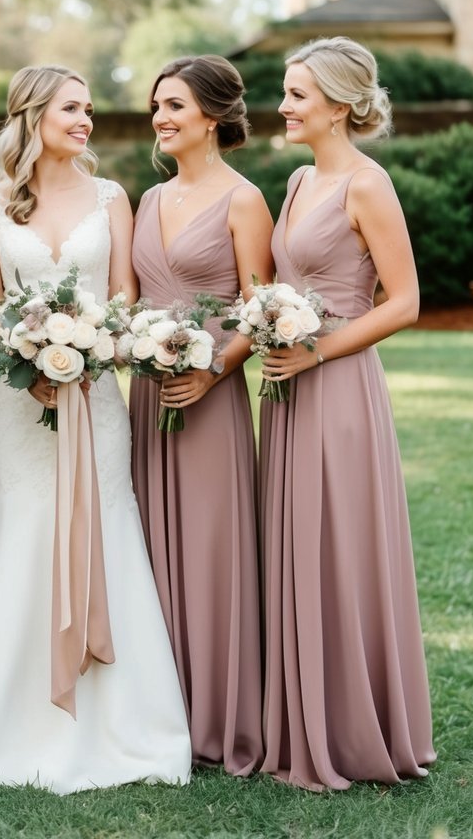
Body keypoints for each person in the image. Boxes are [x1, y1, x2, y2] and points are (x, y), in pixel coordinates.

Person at [0, 64, 191, 793]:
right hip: (19, 408)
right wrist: (25, 355)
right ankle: (9, 722)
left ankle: (121, 721)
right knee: (25, 528)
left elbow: (125, 298)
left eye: (86, 108)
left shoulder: (113, 197)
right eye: (71, 108)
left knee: (104, 526)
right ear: (33, 114)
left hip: (98, 401)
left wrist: (86, 351)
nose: (85, 120)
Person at [259, 36, 435, 790]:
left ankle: (357, 728)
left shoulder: (367, 185)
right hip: (289, 387)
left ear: (336, 105)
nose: (283, 105)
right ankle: (303, 720)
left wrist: (316, 351)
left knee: (339, 543)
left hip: (337, 389)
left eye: (296, 94)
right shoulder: (299, 181)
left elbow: (404, 302)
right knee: (297, 543)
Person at [130, 56, 273, 773]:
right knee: (148, 550)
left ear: (212, 118)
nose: (161, 117)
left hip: (209, 400)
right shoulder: (148, 202)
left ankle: (220, 716)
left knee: (212, 552)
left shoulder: (243, 200)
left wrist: (213, 370)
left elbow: (260, 309)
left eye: (175, 106)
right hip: (144, 399)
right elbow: (127, 303)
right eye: (157, 106)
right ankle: (160, 712)